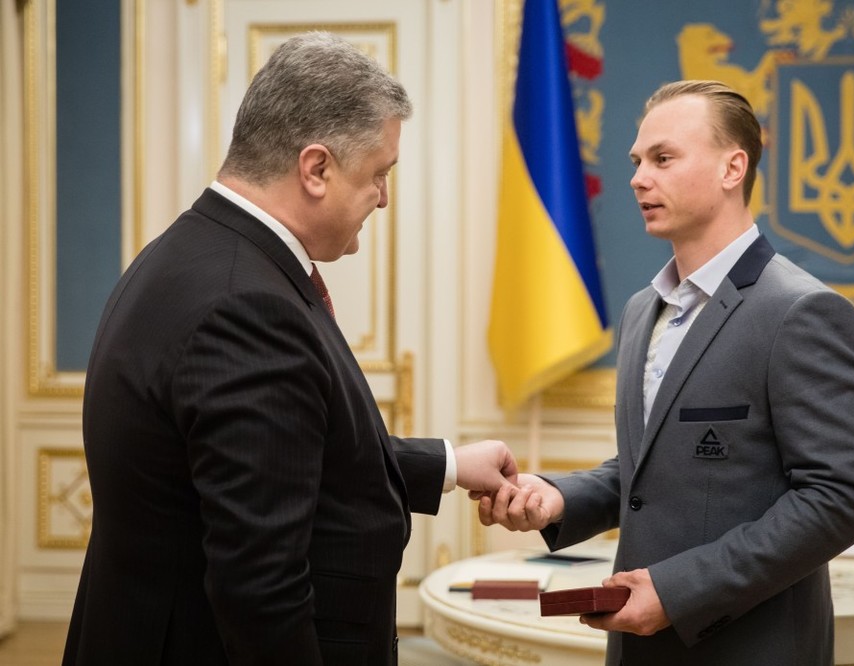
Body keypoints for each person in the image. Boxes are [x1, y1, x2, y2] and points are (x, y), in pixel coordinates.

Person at [63, 33, 517, 666]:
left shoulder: (196, 252)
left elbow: (283, 452)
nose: (384, 197)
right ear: (316, 168)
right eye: (378, 174)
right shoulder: (245, 307)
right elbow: (261, 590)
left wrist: (447, 465)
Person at [478, 80, 854, 665]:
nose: (639, 178)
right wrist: (559, 497)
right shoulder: (643, 309)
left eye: (663, 158)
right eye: (637, 162)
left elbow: (842, 498)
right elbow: (653, 469)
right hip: (637, 647)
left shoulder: (802, 311)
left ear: (732, 168)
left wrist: (677, 592)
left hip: (751, 649)